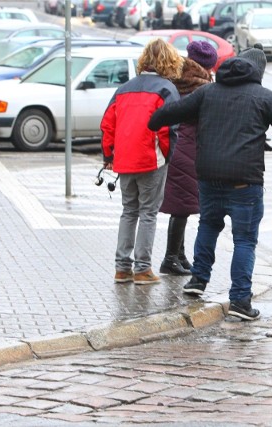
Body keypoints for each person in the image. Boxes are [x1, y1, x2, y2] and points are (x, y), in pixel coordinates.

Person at [148, 47, 272, 320]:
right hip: (244, 183)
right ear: (259, 72)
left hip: (209, 178)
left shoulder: (207, 92)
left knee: (209, 226)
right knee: (245, 240)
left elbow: (169, 113)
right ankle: (240, 300)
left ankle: (198, 281)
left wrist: (151, 121)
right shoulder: (265, 98)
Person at [101, 38, 183, 286]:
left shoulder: (123, 89)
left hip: (124, 160)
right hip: (151, 159)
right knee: (148, 212)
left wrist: (108, 156)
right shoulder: (166, 89)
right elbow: (169, 128)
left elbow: (107, 125)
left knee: (129, 211)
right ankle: (143, 268)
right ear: (169, 62)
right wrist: (167, 156)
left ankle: (122, 268)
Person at [159, 41, 217, 276]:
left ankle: (179, 255)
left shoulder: (176, 77)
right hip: (186, 146)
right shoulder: (199, 86)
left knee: (181, 204)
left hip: (177, 145)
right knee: (182, 205)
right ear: (205, 65)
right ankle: (171, 257)